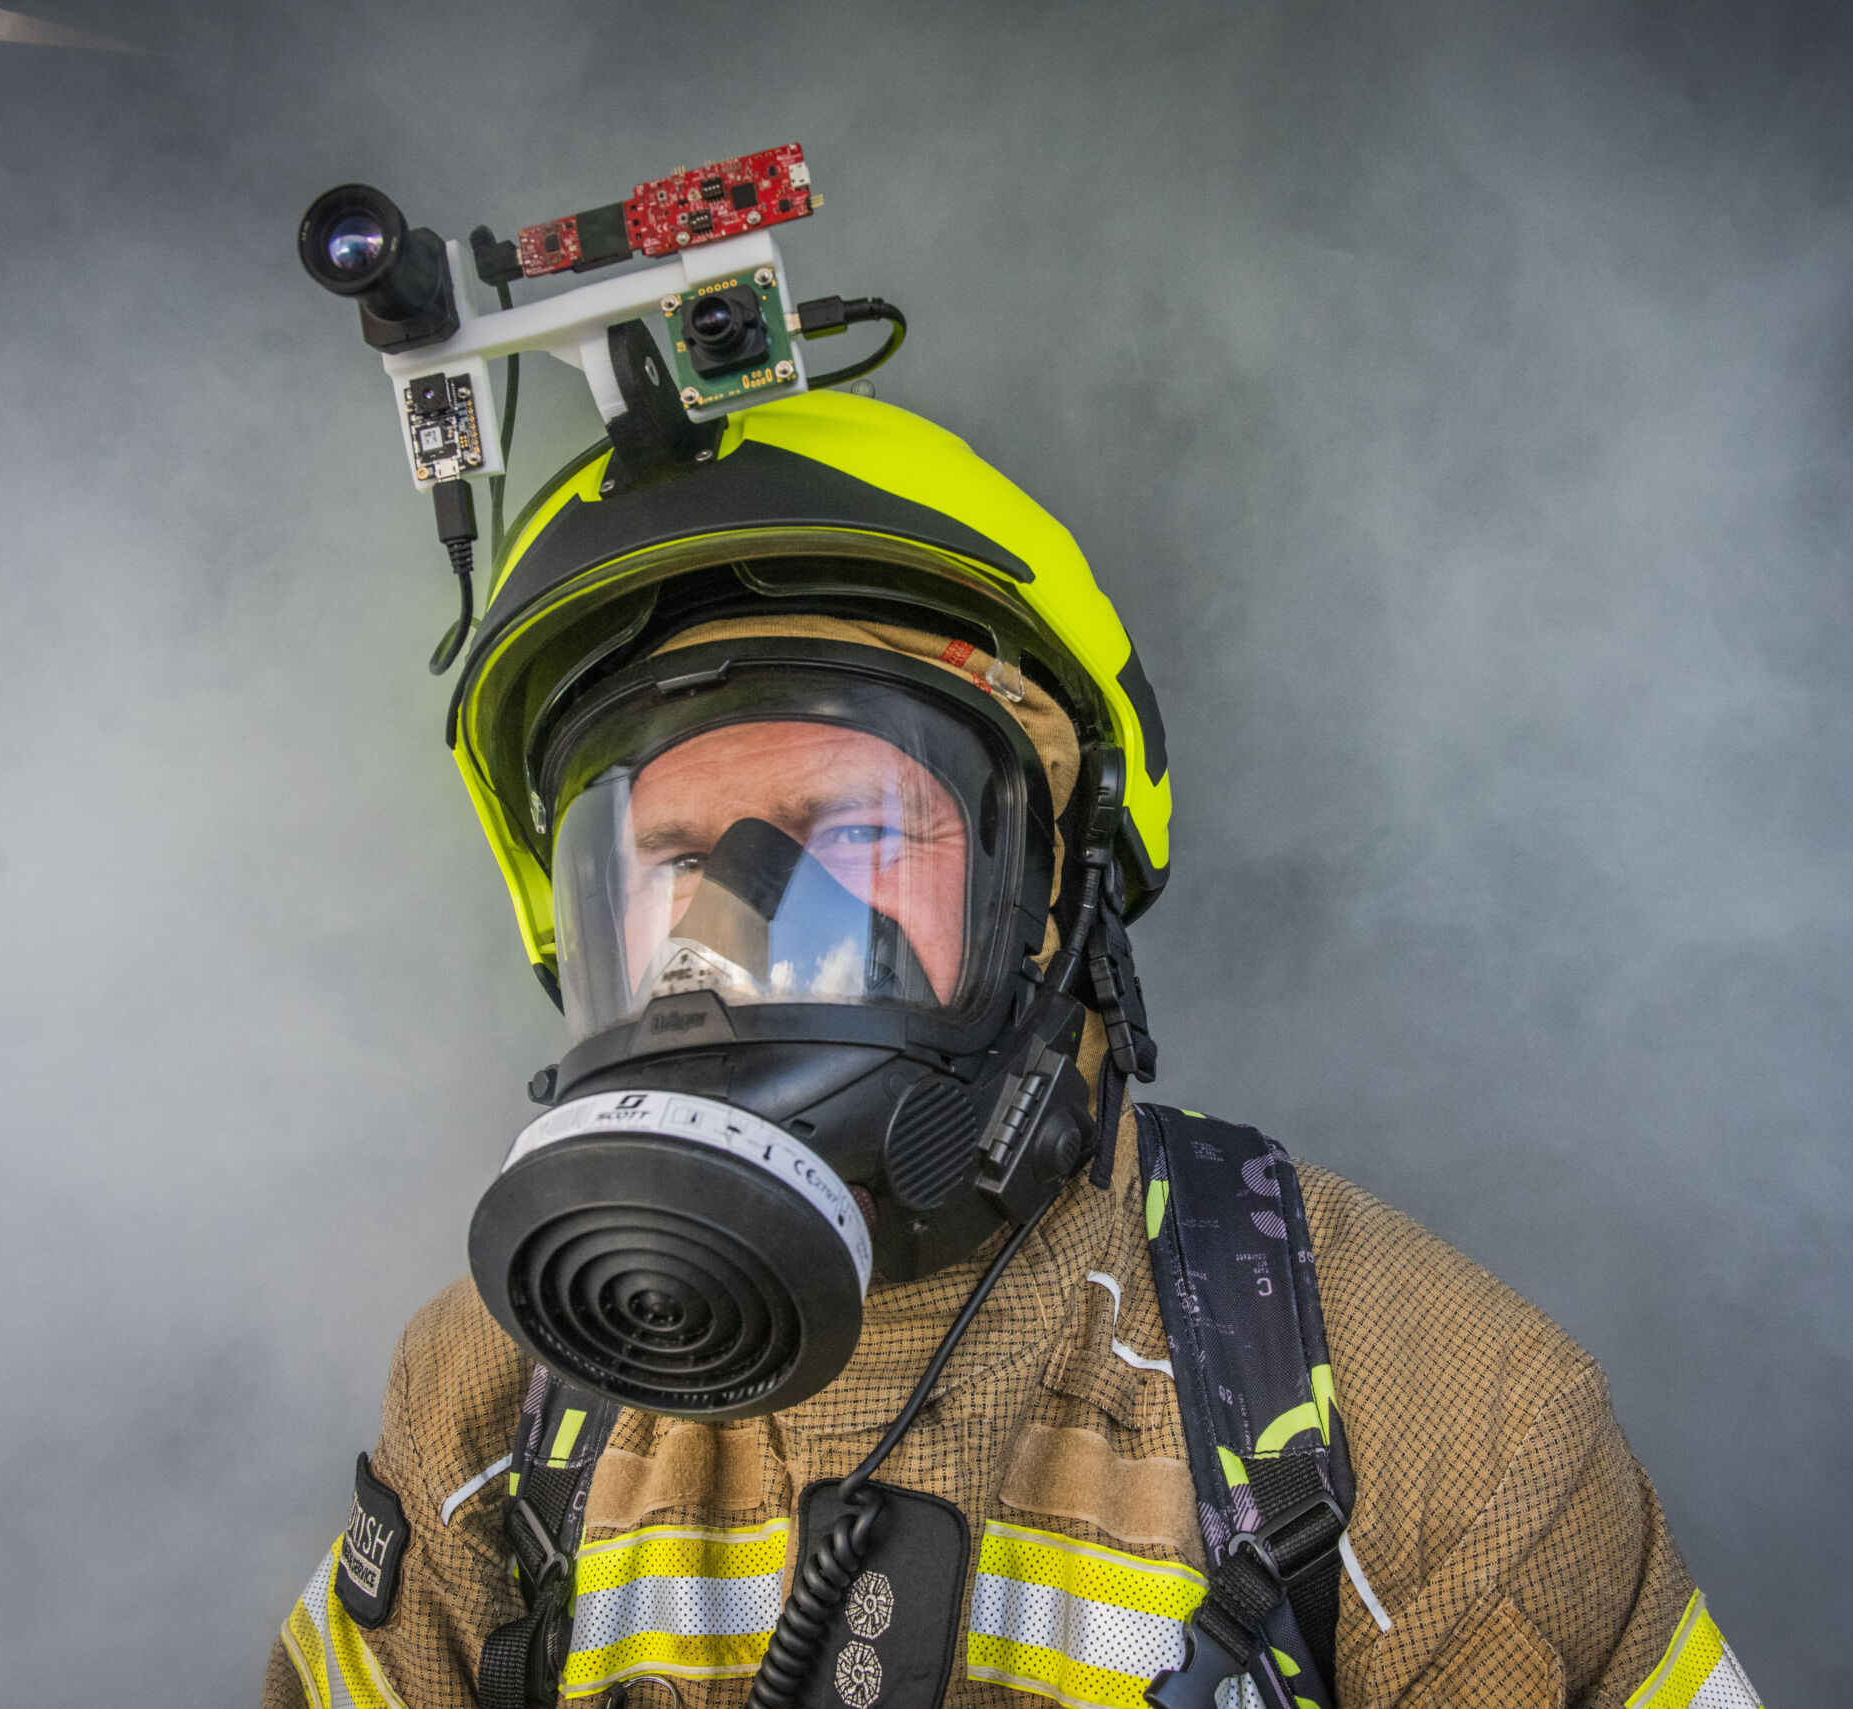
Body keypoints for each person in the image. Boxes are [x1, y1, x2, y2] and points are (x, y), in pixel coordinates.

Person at [266, 392, 1762, 1709]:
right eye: (671, 853)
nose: (737, 929)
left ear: (1056, 883)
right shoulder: (491, 1391)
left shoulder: (1438, 1420)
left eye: (851, 829)